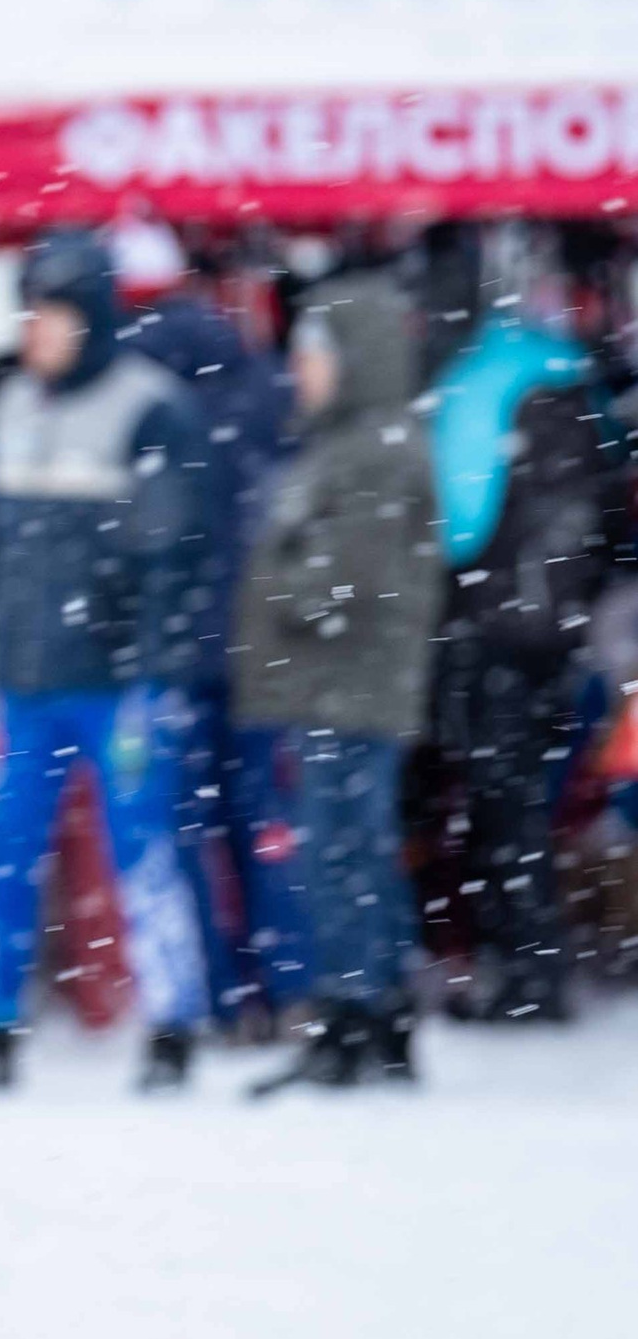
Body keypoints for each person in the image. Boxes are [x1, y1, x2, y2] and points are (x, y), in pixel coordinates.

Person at [0, 230, 216, 1092]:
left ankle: (173, 1026)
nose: (36, 332)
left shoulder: (150, 408)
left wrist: (151, 667)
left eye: (53, 316)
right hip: (25, 683)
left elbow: (177, 559)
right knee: (5, 854)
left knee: (145, 853)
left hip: (120, 688)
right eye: (29, 315)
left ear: (91, 320)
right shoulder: (12, 404)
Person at [230, 275, 442, 1090]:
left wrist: (272, 585)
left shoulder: (372, 450)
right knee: (353, 853)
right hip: (341, 687)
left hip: (350, 689)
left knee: (342, 856)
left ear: (357, 359)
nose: (301, 371)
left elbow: (349, 580)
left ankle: (356, 1017)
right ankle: (375, 1016)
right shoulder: (353, 441)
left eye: (314, 355)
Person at [116, 236, 307, 1033]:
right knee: (265, 826)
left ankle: (221, 996)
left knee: (184, 831)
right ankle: (290, 986)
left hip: (174, 649)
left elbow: (137, 535)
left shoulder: (145, 399)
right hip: (261, 645)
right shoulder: (266, 387)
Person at [417, 296, 619, 1022]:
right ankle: (533, 966)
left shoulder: (481, 388)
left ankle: (526, 974)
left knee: (502, 808)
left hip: (495, 630)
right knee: (527, 804)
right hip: (558, 633)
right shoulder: (577, 389)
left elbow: (457, 524)